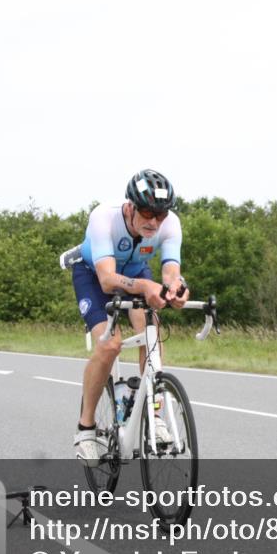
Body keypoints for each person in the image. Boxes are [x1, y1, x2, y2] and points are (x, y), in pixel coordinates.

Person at [70, 169, 189, 463]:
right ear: (130, 207)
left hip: (136, 271)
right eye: (147, 213)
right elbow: (107, 280)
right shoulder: (104, 217)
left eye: (160, 215)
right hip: (93, 275)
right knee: (110, 344)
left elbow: (171, 272)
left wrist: (176, 288)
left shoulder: (170, 224)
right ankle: (86, 429)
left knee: (151, 330)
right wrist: (147, 287)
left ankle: (154, 413)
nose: (154, 222)